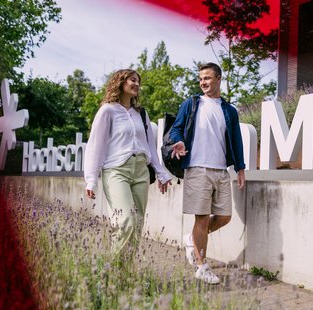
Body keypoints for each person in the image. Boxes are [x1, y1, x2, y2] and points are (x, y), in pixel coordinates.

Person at [169, 62, 246, 284]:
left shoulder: (229, 111)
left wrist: (240, 167)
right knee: (201, 218)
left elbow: (236, 140)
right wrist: (179, 140)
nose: (203, 82)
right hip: (198, 168)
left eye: (208, 78)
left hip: (221, 170)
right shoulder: (192, 104)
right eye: (201, 78)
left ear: (219, 79)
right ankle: (202, 266)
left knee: (224, 217)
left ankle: (191, 239)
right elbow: (176, 128)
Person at [84, 69, 172, 260]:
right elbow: (95, 145)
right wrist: (91, 180)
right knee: (125, 222)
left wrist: (161, 173)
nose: (136, 84)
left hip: (141, 171)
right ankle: (111, 272)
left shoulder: (141, 114)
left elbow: (150, 145)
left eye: (138, 82)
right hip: (117, 170)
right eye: (132, 80)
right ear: (121, 82)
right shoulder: (107, 110)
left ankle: (125, 276)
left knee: (137, 224)